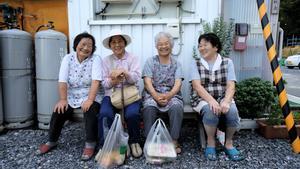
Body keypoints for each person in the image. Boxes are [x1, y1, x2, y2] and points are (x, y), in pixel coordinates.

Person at [37, 32, 103, 161]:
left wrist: (90, 100)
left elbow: (96, 81)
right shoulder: (68, 58)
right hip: (72, 94)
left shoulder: (96, 59)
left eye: (90, 45)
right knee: (59, 109)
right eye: (83, 44)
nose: (86, 48)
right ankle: (52, 140)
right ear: (76, 45)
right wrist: (63, 99)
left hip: (91, 93)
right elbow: (62, 80)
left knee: (90, 109)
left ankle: (90, 143)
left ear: (93, 48)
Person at [190, 33, 243, 161]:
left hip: (223, 97)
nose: (201, 48)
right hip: (202, 98)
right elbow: (197, 86)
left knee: (232, 111)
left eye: (205, 45)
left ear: (216, 47)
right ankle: (210, 143)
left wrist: (226, 101)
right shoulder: (196, 63)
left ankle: (228, 143)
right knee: (210, 110)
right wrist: (211, 101)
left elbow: (231, 85)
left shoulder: (227, 62)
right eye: (200, 46)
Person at [98, 29, 142, 158]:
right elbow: (104, 83)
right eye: (114, 42)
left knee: (132, 114)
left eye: (120, 41)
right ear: (110, 45)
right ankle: (106, 144)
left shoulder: (133, 58)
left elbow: (136, 78)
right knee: (105, 114)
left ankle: (134, 142)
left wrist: (125, 72)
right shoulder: (106, 61)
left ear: (125, 43)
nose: (117, 45)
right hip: (111, 94)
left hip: (130, 93)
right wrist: (114, 80)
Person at [142, 32, 184, 154]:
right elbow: (147, 82)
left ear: (171, 46)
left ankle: (174, 140)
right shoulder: (150, 61)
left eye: (166, 43)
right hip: (152, 94)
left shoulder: (177, 64)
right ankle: (150, 141)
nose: (163, 46)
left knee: (176, 107)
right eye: (160, 44)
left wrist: (169, 95)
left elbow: (178, 83)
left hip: (171, 94)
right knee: (149, 107)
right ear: (156, 46)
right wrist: (155, 96)